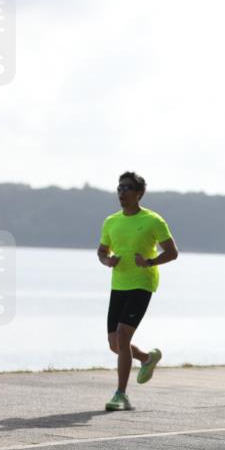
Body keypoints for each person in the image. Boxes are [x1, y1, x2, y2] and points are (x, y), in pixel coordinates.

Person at [97, 171, 178, 411]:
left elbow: (172, 253)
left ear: (139, 193)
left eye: (127, 188)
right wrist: (107, 261)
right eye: (119, 188)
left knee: (122, 336)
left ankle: (121, 394)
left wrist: (150, 262)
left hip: (142, 283)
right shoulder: (111, 221)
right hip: (119, 285)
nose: (122, 192)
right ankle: (147, 358)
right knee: (115, 344)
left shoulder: (153, 220)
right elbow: (101, 251)